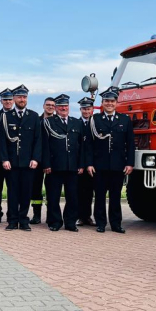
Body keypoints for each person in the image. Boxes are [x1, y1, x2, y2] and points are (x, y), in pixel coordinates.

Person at [86, 86, 134, 233]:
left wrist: (130, 163)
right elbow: (88, 143)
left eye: (112, 101)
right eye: (106, 101)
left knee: (115, 196)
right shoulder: (95, 119)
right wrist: (89, 163)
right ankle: (101, 223)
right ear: (102, 102)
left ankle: (116, 224)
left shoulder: (125, 120)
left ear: (116, 102)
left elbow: (131, 143)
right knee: (99, 196)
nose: (109, 104)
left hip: (118, 165)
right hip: (99, 165)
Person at [0, 85, 41, 231]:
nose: (22, 99)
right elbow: (2, 141)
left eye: (24, 97)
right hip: (11, 162)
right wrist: (4, 159)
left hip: (28, 162)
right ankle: (12, 220)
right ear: (14, 98)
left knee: (26, 193)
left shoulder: (34, 116)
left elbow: (38, 140)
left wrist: (35, 158)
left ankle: (23, 220)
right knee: (12, 193)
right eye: (19, 97)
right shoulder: (6, 116)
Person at [41, 94, 85, 232]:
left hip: (72, 166)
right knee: (53, 197)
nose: (63, 108)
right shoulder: (49, 122)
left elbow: (81, 145)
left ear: (69, 107)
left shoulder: (76, 122)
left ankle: (70, 222)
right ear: (56, 108)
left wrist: (81, 164)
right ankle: (55, 222)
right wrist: (46, 164)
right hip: (54, 166)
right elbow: (44, 145)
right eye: (60, 106)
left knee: (73, 196)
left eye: (65, 106)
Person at [30, 96, 56, 225]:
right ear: (43, 106)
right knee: (36, 189)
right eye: (48, 105)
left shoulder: (58, 122)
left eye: (52, 105)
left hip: (53, 161)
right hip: (38, 160)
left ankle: (50, 215)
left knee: (51, 189)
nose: (50, 107)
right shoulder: (37, 121)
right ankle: (36, 215)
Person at [0, 88, 14, 224]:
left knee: (12, 188)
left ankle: (11, 213)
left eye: (10, 100)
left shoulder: (16, 115)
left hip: (12, 159)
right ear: (1, 101)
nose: (8, 102)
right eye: (5, 100)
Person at [76, 97, 96, 227]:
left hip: (93, 164)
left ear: (92, 109)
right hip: (79, 164)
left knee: (89, 192)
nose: (86, 111)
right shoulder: (75, 123)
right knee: (78, 192)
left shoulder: (96, 123)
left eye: (88, 108)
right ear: (80, 109)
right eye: (84, 108)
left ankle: (87, 216)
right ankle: (79, 217)